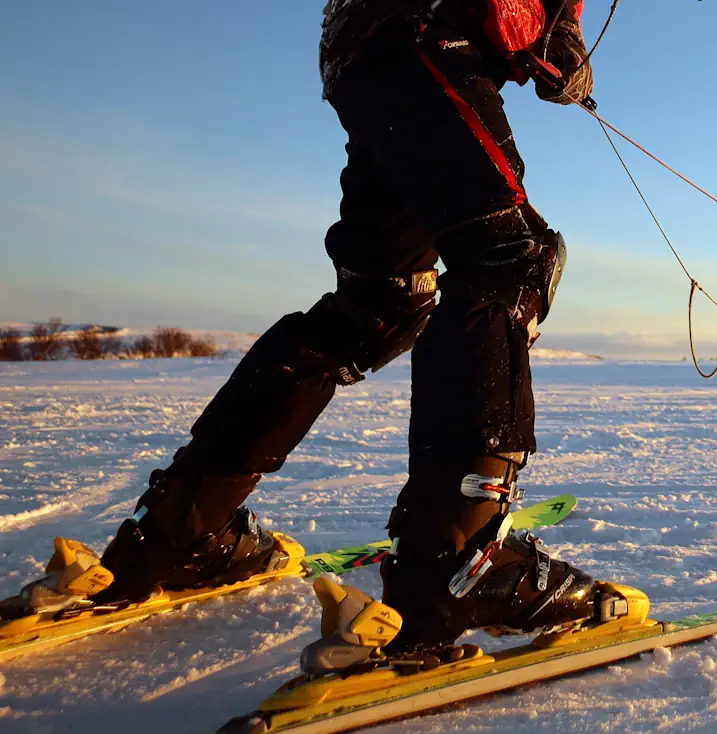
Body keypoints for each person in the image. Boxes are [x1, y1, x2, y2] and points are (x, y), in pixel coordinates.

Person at [9, 0, 637, 662]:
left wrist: (552, 32)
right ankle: (461, 566)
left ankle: (180, 532)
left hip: (371, 52)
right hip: (425, 36)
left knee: (379, 305)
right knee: (512, 262)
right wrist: (547, 33)